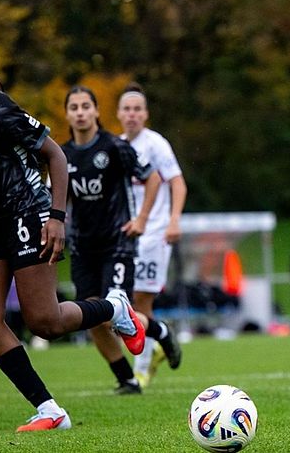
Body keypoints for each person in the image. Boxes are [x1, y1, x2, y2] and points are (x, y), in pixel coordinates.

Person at [0, 27, 145, 432]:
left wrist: (56, 217)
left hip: (24, 211)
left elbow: (55, 155)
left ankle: (115, 308)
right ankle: (49, 409)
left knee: (45, 323)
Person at [62, 85, 176, 395]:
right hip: (83, 247)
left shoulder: (115, 146)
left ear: (97, 111)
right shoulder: (62, 154)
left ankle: (160, 332)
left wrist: (141, 219)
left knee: (115, 309)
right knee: (92, 317)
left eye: (86, 106)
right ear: (68, 114)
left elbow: (153, 177)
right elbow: (56, 197)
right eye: (74, 107)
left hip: (117, 243)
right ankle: (126, 378)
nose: (81, 112)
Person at [117, 83, 185, 386]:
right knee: (123, 302)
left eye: (137, 109)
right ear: (119, 114)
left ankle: (141, 368)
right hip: (125, 235)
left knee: (141, 300)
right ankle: (157, 340)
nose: (132, 114)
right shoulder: (116, 145)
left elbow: (177, 183)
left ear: (145, 114)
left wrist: (173, 221)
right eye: (127, 109)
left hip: (154, 233)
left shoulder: (155, 144)